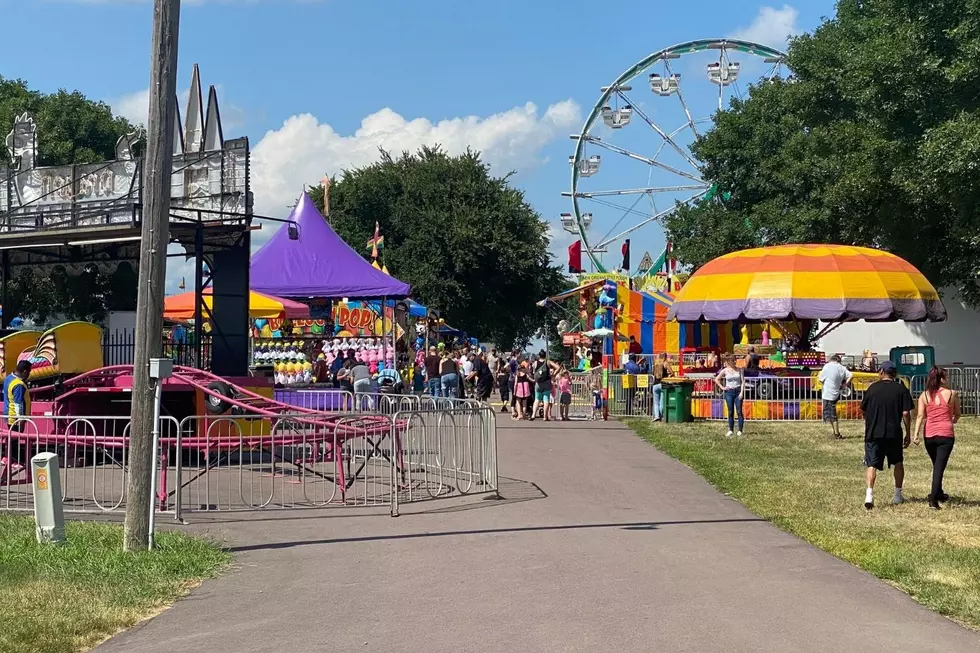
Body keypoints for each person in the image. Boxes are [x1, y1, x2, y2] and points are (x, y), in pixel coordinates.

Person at [860, 360, 913, 510]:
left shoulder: (872, 389)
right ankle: (897, 494)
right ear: (894, 373)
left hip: (873, 432)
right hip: (894, 432)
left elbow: (863, 409)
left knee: (871, 464)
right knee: (898, 462)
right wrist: (908, 432)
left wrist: (868, 421)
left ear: (882, 372)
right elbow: (905, 413)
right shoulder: (901, 389)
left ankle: (869, 494)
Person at [913, 366, 960, 510]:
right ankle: (933, 498)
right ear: (941, 379)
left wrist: (915, 434)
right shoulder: (952, 394)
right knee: (939, 467)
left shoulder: (924, 395)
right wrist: (953, 419)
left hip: (929, 435)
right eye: (946, 377)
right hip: (945, 435)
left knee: (937, 465)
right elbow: (957, 413)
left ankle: (939, 493)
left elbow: (920, 416)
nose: (948, 379)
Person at [2, 360, 32, 474]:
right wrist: (21, 420)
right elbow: (18, 403)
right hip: (15, 417)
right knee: (14, 440)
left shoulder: (9, 378)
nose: (29, 374)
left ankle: (7, 458)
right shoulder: (19, 384)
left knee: (11, 439)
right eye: (29, 371)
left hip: (8, 414)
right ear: (24, 372)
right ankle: (13, 461)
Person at [818, 354, 853, 439]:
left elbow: (820, 379)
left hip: (828, 394)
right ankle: (835, 432)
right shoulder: (841, 367)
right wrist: (844, 385)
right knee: (831, 413)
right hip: (836, 393)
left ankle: (837, 433)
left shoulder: (827, 366)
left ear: (831, 359)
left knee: (831, 415)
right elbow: (851, 375)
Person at [715, 355, 744, 437]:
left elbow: (743, 382)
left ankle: (740, 430)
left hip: (738, 391)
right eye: (732, 360)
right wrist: (722, 387)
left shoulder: (739, 370)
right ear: (728, 362)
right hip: (729, 392)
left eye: (735, 360)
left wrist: (742, 392)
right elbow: (716, 379)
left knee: (739, 411)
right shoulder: (725, 370)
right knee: (730, 411)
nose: (734, 362)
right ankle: (731, 430)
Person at [531, 350, 560, 421]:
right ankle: (545, 416)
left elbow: (533, 372)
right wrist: (553, 374)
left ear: (539, 356)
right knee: (546, 399)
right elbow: (558, 367)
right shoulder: (548, 362)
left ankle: (533, 415)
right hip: (547, 382)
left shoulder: (535, 362)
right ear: (545, 355)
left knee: (537, 399)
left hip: (538, 383)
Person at [651, 352, 672, 422]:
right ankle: (660, 416)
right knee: (662, 401)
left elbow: (652, 373)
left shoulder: (655, 364)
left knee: (656, 402)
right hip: (662, 384)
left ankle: (657, 416)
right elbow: (672, 372)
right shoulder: (665, 363)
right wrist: (669, 376)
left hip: (655, 384)